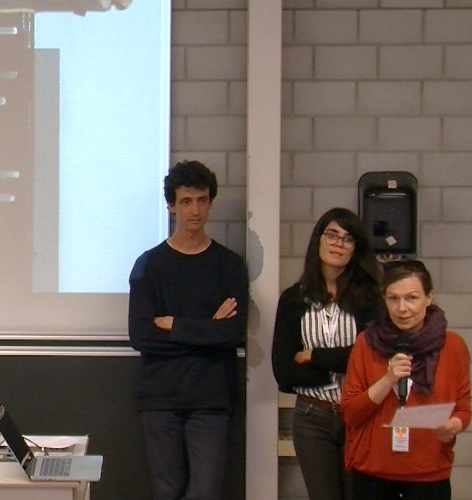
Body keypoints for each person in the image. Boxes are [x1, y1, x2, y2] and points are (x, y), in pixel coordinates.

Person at [128, 160, 249, 500]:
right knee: (167, 491)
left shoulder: (229, 265)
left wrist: (175, 324)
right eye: (185, 201)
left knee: (206, 492)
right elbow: (141, 335)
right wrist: (208, 329)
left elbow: (233, 333)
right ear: (171, 206)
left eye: (201, 200)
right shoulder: (149, 264)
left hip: (211, 399)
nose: (194, 210)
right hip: (160, 398)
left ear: (210, 202)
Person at [272, 207, 381, 500]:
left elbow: (371, 359)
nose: (338, 244)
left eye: (348, 239)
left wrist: (314, 356)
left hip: (359, 417)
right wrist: (342, 364)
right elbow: (284, 372)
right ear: (318, 240)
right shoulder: (293, 300)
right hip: (312, 417)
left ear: (356, 249)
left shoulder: (370, 299)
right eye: (331, 235)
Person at [342, 260, 471, 499]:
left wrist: (454, 426)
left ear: (428, 298)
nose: (402, 308)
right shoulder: (366, 343)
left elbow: (463, 407)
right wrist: (387, 379)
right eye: (393, 299)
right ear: (384, 300)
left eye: (412, 298)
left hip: (429, 472)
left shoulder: (453, 347)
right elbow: (350, 413)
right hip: (374, 471)